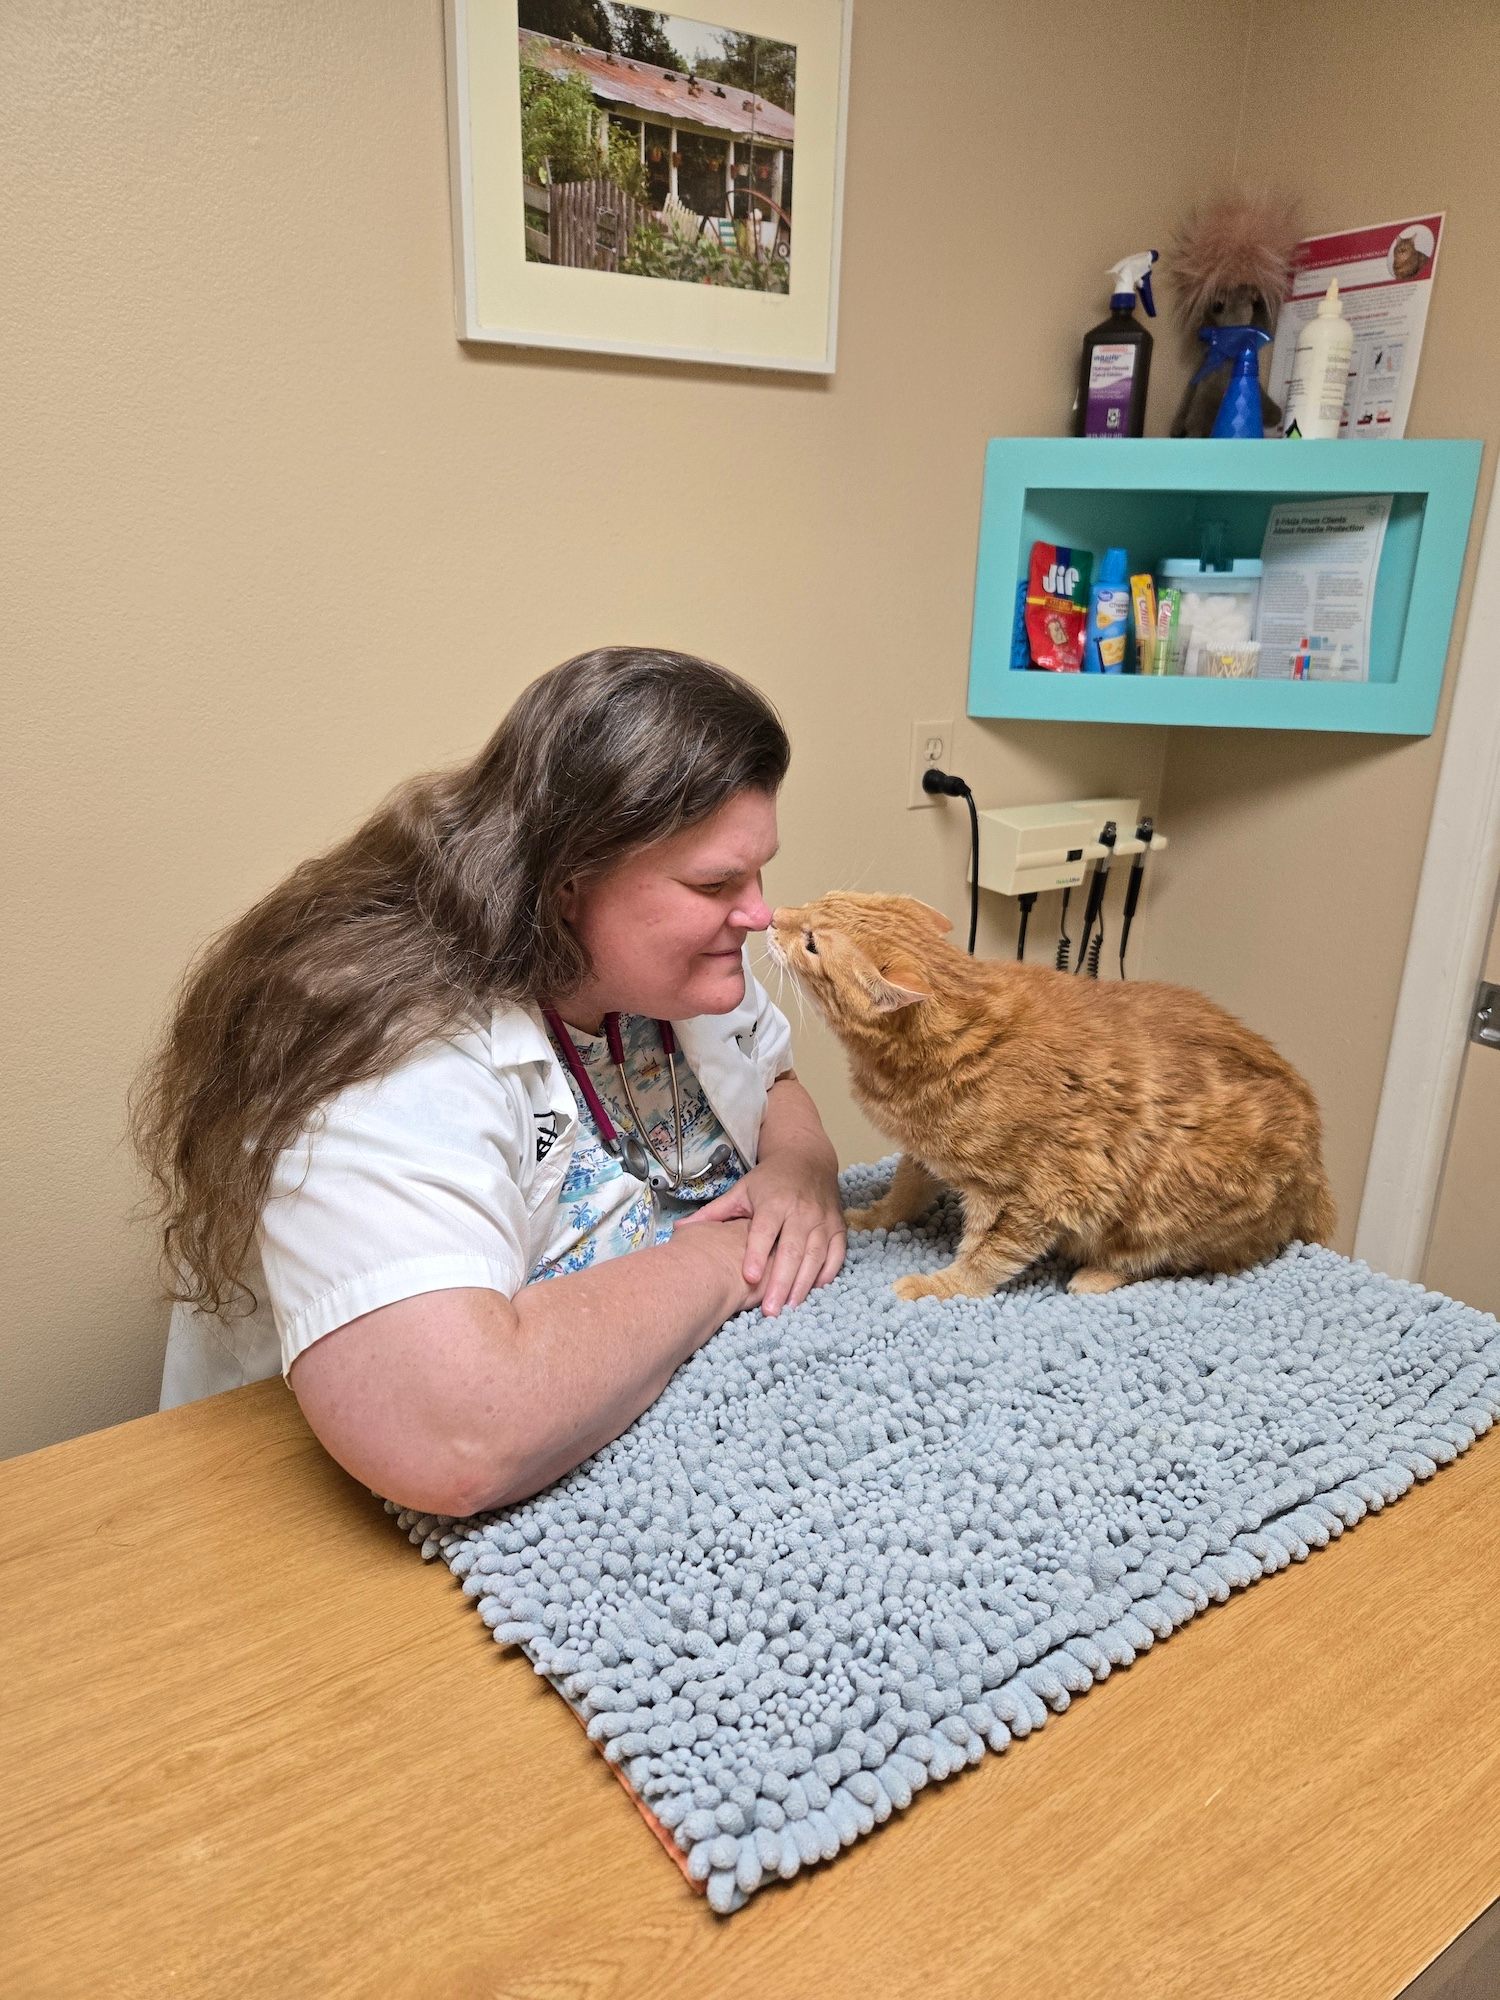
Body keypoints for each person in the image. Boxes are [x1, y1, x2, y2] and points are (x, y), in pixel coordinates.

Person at [134, 649, 846, 1517]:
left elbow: (775, 1081)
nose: (761, 913)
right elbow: (454, 1439)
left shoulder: (677, 969)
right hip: (294, 1539)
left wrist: (800, 1174)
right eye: (715, 882)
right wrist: (727, 1257)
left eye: (759, 870)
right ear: (570, 884)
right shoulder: (390, 1046)